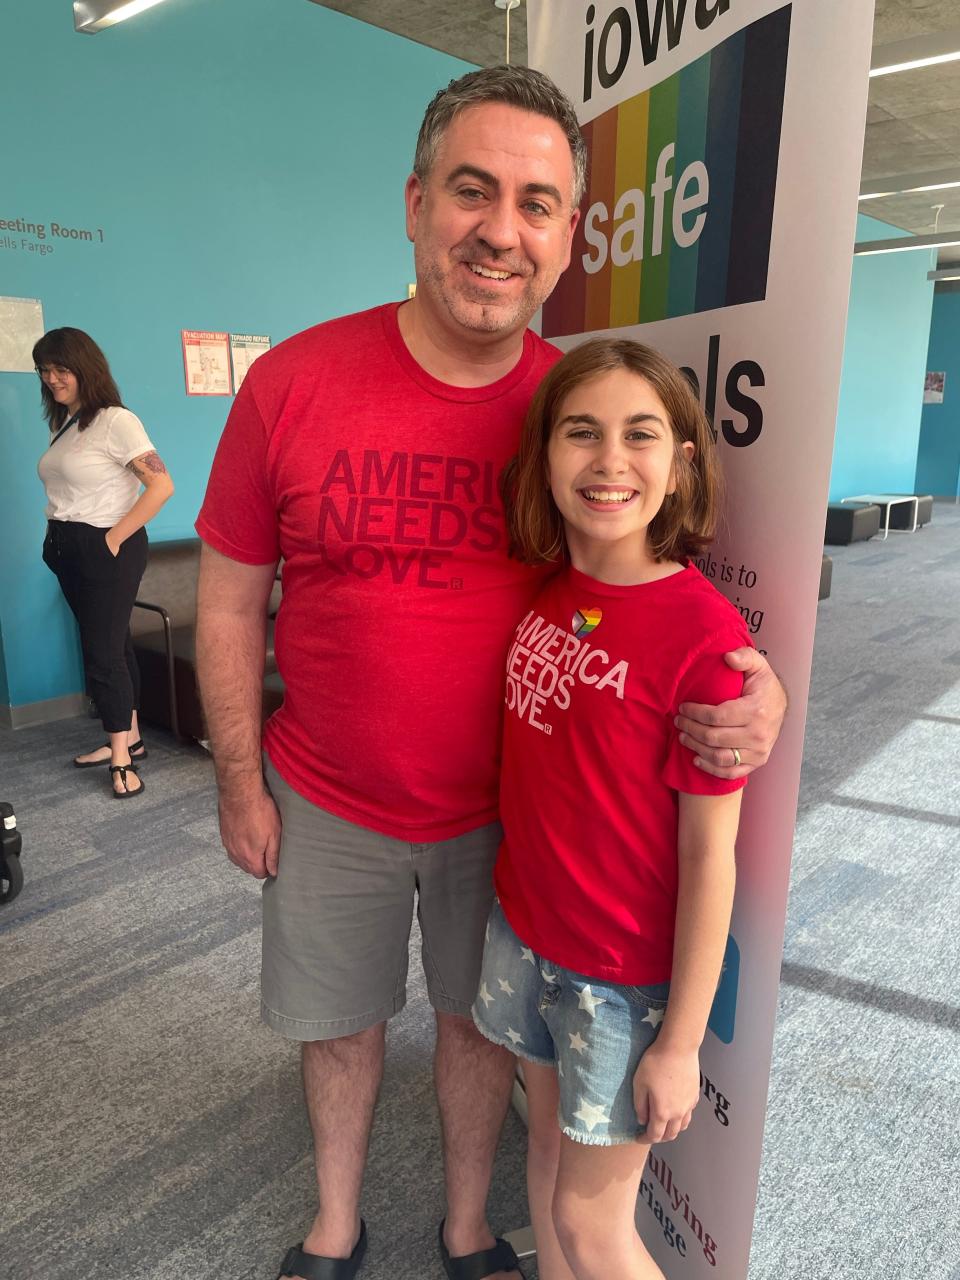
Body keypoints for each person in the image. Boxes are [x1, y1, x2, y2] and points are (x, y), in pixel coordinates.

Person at [195, 66, 786, 1280]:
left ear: (568, 236)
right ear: (415, 204)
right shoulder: (293, 383)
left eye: (534, 203)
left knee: (480, 1031)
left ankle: (469, 1228)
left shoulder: (575, 410)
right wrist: (239, 784)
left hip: (511, 822)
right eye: (472, 191)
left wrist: (757, 682)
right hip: (327, 795)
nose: (498, 230)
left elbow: (653, 583)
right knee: (340, 1025)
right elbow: (227, 596)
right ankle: (335, 1222)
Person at [473, 337, 747, 1280]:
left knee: (596, 1230)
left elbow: (714, 860)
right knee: (546, 1167)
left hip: (622, 981)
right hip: (532, 934)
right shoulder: (553, 591)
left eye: (640, 434)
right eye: (581, 432)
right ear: (545, 455)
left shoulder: (705, 639)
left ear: (680, 465)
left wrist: (679, 1044)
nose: (608, 461)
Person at [35, 327, 174, 798]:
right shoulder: (70, 424)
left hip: (105, 547)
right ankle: (129, 739)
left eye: (61, 369)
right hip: (67, 547)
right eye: (45, 370)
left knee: (104, 654)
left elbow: (161, 486)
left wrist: (111, 540)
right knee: (112, 646)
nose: (52, 378)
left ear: (84, 368)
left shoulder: (116, 421)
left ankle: (120, 762)